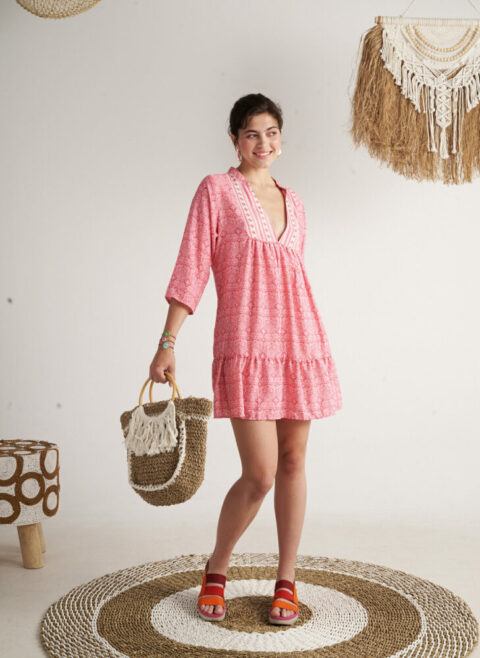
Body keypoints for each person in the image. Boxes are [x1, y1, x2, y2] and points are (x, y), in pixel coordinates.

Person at [149, 93, 342, 625]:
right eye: (252, 133)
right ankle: (217, 566)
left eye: (271, 132)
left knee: (294, 462)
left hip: (299, 343)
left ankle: (287, 578)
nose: (263, 142)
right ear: (234, 139)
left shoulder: (295, 202)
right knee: (259, 473)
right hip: (246, 345)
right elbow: (192, 266)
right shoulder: (216, 190)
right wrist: (167, 341)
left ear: (282, 139)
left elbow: (289, 277)